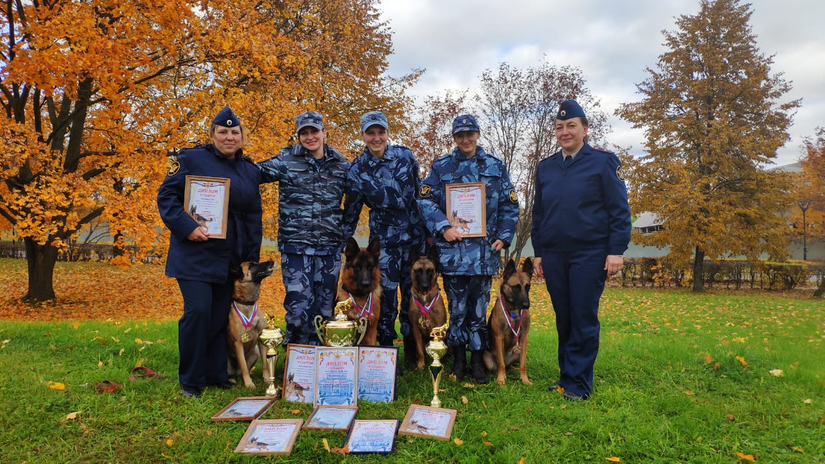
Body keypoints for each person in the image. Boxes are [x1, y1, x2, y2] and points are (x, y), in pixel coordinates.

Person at [157, 108, 263, 398]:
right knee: (199, 312)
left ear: (242, 137)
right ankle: (191, 380)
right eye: (223, 132)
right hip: (196, 254)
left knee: (219, 317)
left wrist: (250, 259)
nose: (229, 137)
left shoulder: (250, 170)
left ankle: (217, 374)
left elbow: (253, 216)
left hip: (230, 259)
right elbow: (167, 197)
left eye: (234, 132)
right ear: (213, 134)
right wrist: (187, 227)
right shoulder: (191, 159)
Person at [531, 100, 632, 401]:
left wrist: (616, 250)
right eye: (559, 127)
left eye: (571, 126)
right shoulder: (546, 168)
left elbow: (619, 210)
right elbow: (539, 213)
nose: (565, 132)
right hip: (554, 255)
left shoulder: (603, 162)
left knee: (583, 317)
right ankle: (567, 377)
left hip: (589, 254)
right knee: (564, 317)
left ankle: (579, 384)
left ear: (585, 129)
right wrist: (539, 252)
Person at [418, 114, 519, 384]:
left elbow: (510, 204)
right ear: (454, 138)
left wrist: (504, 236)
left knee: (479, 309)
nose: (465, 140)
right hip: (454, 254)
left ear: (478, 135)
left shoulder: (495, 166)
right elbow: (425, 201)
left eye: (469, 134)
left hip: (485, 254)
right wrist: (443, 227)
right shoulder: (441, 167)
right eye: (460, 135)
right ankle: (459, 360)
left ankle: (477, 362)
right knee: (458, 309)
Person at [257, 112, 351, 346]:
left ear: (324, 133)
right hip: (295, 248)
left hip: (329, 249)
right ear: (298, 136)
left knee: (325, 311)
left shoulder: (341, 165)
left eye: (314, 131)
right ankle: (297, 359)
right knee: (298, 309)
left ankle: (323, 359)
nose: (310, 137)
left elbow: (357, 198)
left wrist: (345, 234)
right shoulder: (286, 160)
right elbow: (251, 174)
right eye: (304, 133)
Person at [343, 111, 426, 367]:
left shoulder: (405, 156)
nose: (376, 138)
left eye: (381, 132)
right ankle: (387, 353)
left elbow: (421, 195)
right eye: (371, 133)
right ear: (363, 135)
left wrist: (431, 233)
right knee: (386, 298)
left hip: (414, 238)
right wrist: (341, 242)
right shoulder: (357, 170)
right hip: (385, 244)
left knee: (413, 295)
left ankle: (413, 350)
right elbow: (352, 210)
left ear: (388, 133)